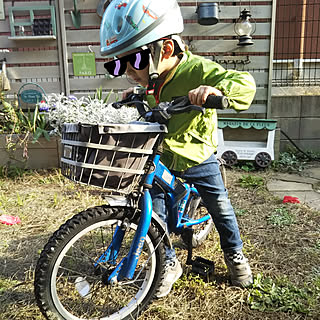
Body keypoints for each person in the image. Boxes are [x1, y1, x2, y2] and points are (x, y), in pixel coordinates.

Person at [100, 0, 256, 298]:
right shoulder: (153, 77)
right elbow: (150, 94)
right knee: (153, 207)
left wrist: (217, 91)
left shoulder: (199, 69)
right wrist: (136, 93)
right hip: (161, 155)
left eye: (133, 61)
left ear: (166, 51)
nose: (128, 71)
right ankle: (167, 261)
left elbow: (244, 83)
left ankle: (235, 254)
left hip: (196, 153)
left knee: (220, 207)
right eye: (117, 65)